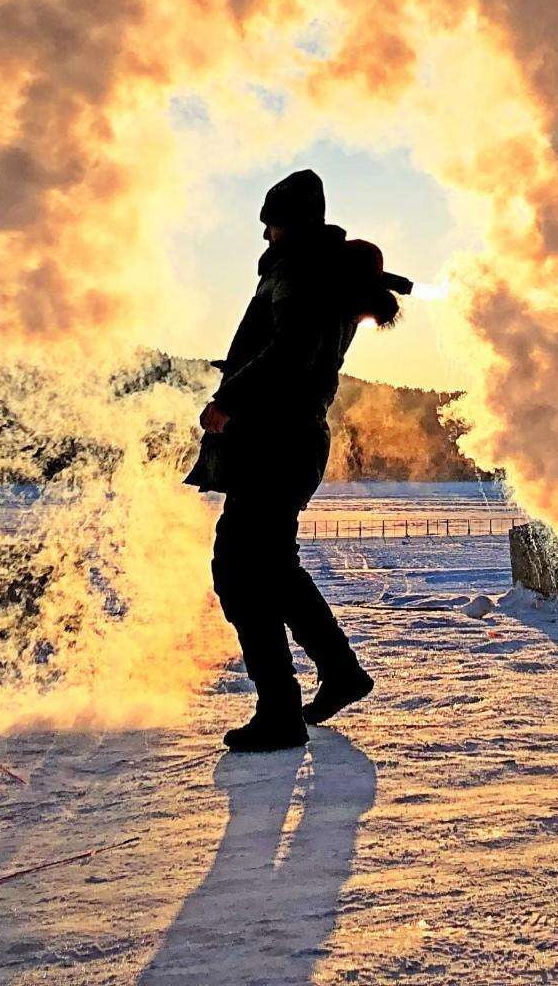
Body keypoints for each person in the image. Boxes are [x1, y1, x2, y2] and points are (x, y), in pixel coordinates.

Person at [188, 168, 411, 753]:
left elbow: (289, 352)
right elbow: (292, 350)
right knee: (271, 567)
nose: (266, 238)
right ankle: (338, 672)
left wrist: (228, 399)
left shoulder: (297, 271)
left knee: (238, 570)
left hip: (273, 440)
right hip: (292, 440)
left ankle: (280, 710)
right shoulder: (322, 272)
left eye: (270, 226)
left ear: (283, 224)